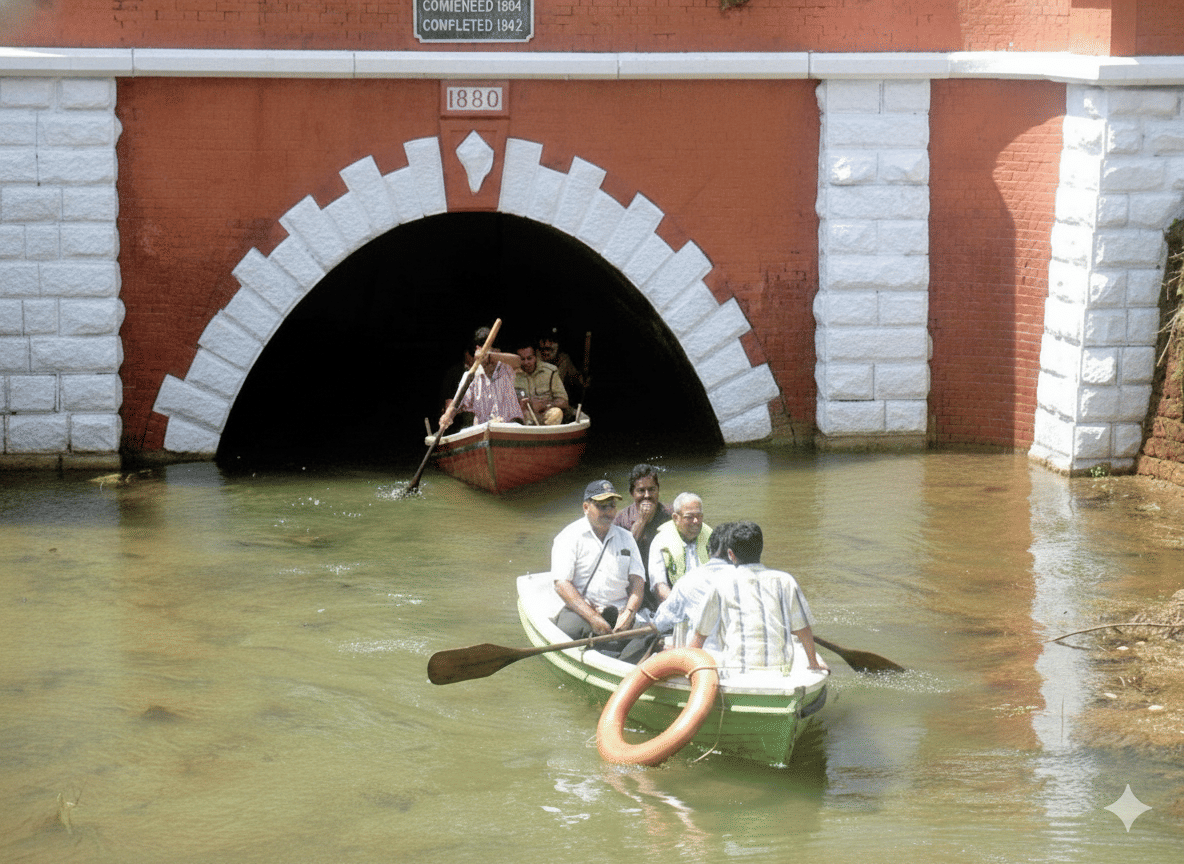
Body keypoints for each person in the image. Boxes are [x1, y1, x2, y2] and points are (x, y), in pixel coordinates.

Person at [689, 521, 827, 674]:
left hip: (736, 671)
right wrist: (813, 662)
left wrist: (686, 667)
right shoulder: (785, 581)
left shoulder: (721, 583)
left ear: (731, 554)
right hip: (779, 671)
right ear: (761, 549)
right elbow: (803, 628)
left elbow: (700, 634)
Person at [551, 479, 652, 663]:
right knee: (572, 628)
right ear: (586, 507)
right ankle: (619, 653)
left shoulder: (627, 538)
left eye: (612, 506)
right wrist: (593, 617)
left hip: (620, 614)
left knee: (652, 634)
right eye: (602, 506)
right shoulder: (569, 537)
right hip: (584, 612)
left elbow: (638, 581)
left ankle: (615, 651)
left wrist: (628, 614)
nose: (609, 512)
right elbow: (561, 584)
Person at [652, 522, 735, 651]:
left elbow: (660, 622)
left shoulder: (688, 581)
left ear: (709, 550)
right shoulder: (752, 579)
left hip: (703, 659)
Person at [438, 326, 524, 429]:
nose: (488, 362)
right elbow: (456, 405)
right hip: (484, 432)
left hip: (510, 429)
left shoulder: (506, 367)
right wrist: (447, 416)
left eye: (492, 352)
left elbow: (518, 361)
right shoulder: (470, 376)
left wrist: (489, 356)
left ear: (498, 351)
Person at [612, 463, 672, 593]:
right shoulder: (621, 519)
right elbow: (622, 553)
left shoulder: (671, 515)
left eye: (652, 489)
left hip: (665, 581)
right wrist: (642, 521)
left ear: (658, 490)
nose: (647, 495)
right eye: (641, 491)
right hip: (636, 583)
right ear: (632, 493)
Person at [647, 492, 712, 604]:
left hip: (709, 602)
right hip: (676, 605)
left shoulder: (712, 537)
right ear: (675, 518)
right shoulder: (660, 541)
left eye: (699, 516)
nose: (696, 521)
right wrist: (682, 608)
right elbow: (659, 586)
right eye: (689, 517)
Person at [514, 341, 569, 425]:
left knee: (557, 412)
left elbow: (564, 402)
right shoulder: (512, 374)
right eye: (522, 359)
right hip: (521, 419)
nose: (526, 363)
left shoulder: (550, 371)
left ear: (536, 357)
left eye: (529, 358)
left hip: (545, 417)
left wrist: (545, 404)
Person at [538, 326, 584, 406]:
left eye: (553, 341)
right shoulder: (532, 359)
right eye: (544, 341)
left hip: (556, 405)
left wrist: (582, 379)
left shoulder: (564, 360)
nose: (548, 344)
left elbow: (575, 379)